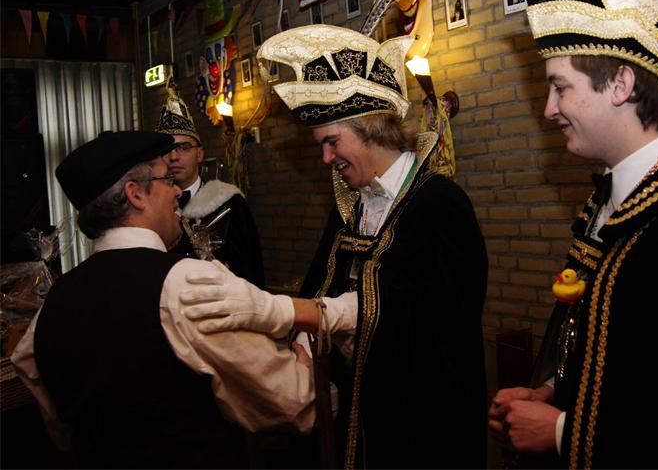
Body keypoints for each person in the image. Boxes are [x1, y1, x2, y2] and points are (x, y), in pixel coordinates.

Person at [181, 24, 489, 469]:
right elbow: (322, 285)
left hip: (420, 418)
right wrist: (304, 342)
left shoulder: (439, 204)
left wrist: (292, 312)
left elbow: (427, 316)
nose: (327, 159)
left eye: (331, 142)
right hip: (359, 412)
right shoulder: (352, 206)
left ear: (372, 128)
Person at [488, 0, 658, 468]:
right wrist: (552, 392)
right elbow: (625, 359)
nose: (548, 109)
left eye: (559, 87)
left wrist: (560, 431)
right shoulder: (615, 197)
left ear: (620, 85)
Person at [9, 130, 359, 468]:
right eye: (167, 180)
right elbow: (288, 402)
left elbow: (59, 426)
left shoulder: (51, 305)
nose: (177, 191)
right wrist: (305, 362)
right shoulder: (185, 284)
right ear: (135, 194)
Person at [156, 77, 265, 288]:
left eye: (184, 148)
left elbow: (250, 269)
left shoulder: (228, 202)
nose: (174, 157)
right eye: (166, 150)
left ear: (199, 154)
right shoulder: (151, 208)